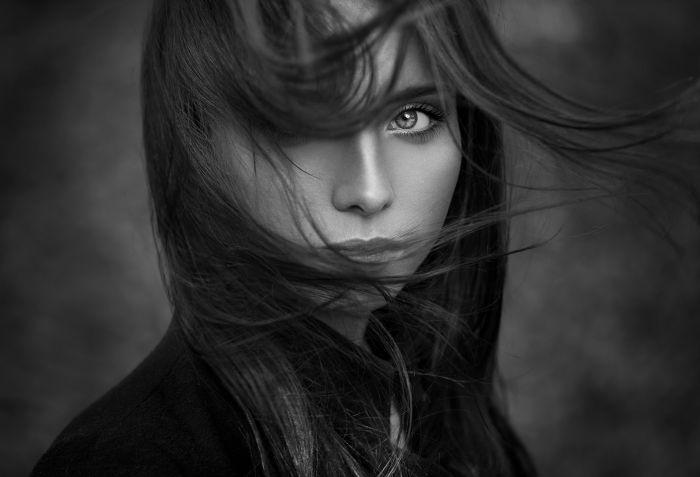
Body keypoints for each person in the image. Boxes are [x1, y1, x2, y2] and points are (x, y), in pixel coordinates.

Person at [31, 0, 696, 476]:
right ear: (197, 137)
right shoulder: (125, 460)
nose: (370, 190)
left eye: (412, 116)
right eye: (299, 121)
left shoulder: (437, 423)